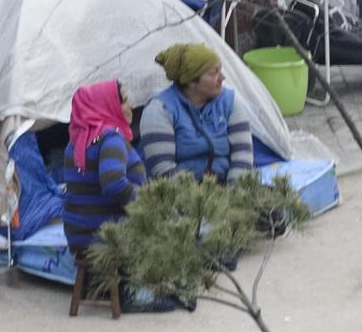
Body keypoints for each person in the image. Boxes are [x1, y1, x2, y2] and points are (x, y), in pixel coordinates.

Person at [62, 80, 180, 312]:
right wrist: (147, 205)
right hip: (107, 235)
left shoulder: (77, 141)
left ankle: (107, 285)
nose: (130, 105)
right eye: (123, 100)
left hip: (78, 235)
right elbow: (114, 183)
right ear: (108, 106)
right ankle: (136, 294)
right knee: (174, 226)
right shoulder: (111, 139)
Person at [139, 43, 253, 182]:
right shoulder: (159, 110)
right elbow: (163, 168)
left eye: (220, 70)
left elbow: (243, 155)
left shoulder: (230, 101)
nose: (222, 77)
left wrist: (235, 192)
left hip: (226, 189)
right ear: (191, 81)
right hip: (180, 194)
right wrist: (198, 198)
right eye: (213, 73)